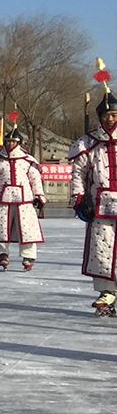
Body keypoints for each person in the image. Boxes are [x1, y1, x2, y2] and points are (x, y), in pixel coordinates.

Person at [68, 90, 117, 315]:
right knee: (101, 249)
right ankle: (106, 291)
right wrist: (78, 199)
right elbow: (78, 174)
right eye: (106, 115)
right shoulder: (88, 142)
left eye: (114, 115)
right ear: (100, 117)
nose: (111, 119)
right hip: (100, 205)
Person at [0, 128, 43, 271]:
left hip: (25, 200)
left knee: (27, 229)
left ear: (18, 143)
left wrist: (39, 196)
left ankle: (28, 255)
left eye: (13, 142)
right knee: (2, 228)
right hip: (2, 200)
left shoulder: (28, 161)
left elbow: (35, 179)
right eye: (8, 141)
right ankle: (2, 253)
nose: (10, 144)